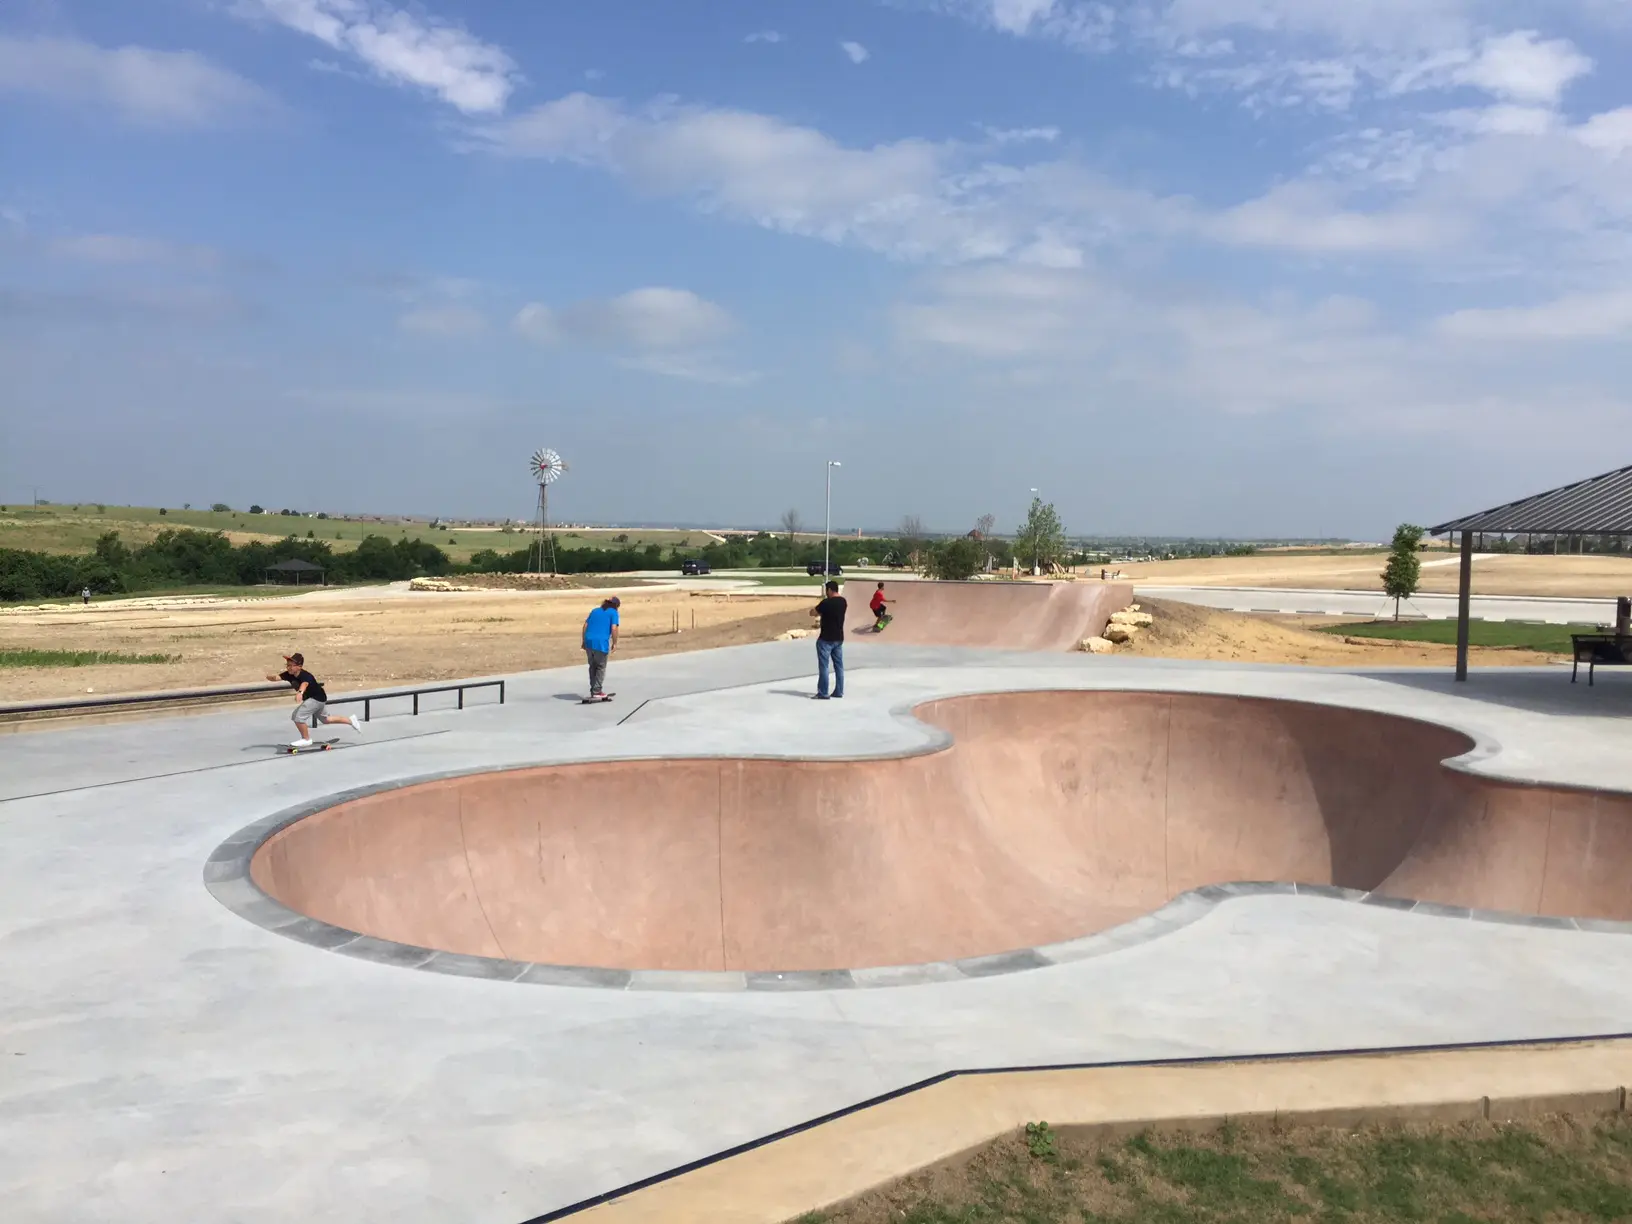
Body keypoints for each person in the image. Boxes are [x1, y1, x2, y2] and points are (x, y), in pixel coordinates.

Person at [264, 652, 361, 747]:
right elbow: (277, 678)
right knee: (326, 719)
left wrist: (300, 693)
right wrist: (269, 676)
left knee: (297, 716)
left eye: (291, 665)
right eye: (287, 665)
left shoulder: (305, 675)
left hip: (316, 698)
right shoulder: (289, 674)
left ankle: (306, 739)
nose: (289, 667)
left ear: (299, 666)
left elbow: (304, 684)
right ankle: (351, 720)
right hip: (319, 698)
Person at [810, 580, 846, 699]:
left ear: (830, 590)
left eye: (827, 590)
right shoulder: (843, 602)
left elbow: (813, 612)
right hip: (838, 638)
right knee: (839, 666)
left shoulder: (826, 603)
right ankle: (839, 691)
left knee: (824, 666)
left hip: (826, 639)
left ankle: (823, 692)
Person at [581, 597, 621, 700]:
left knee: (592, 666)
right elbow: (614, 628)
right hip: (601, 643)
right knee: (600, 667)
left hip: (589, 641)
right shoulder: (613, 613)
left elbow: (585, 625)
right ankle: (597, 691)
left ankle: (593, 690)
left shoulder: (595, 611)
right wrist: (615, 643)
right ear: (616, 606)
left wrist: (584, 641)